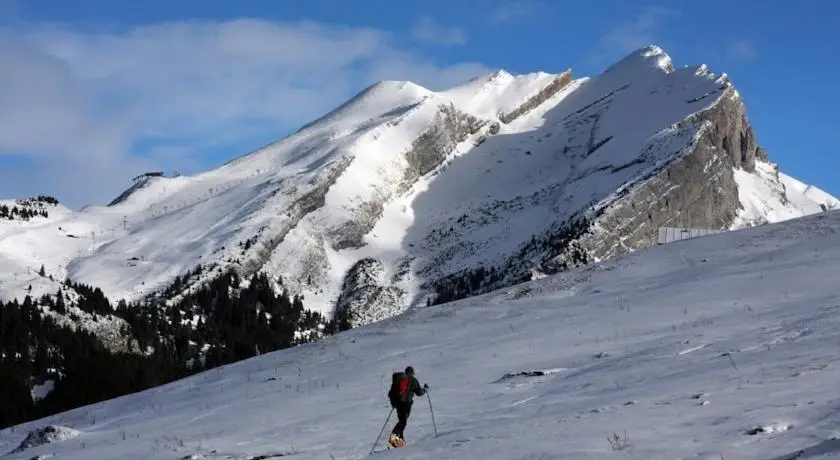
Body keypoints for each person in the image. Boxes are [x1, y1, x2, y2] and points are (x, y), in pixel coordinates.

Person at [387, 366, 428, 447]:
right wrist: (425, 389)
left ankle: (400, 442)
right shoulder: (413, 380)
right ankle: (393, 438)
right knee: (403, 422)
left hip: (398, 403)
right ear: (412, 372)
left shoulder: (400, 379)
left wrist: (394, 403)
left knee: (401, 421)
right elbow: (419, 393)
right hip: (406, 404)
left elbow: (391, 393)